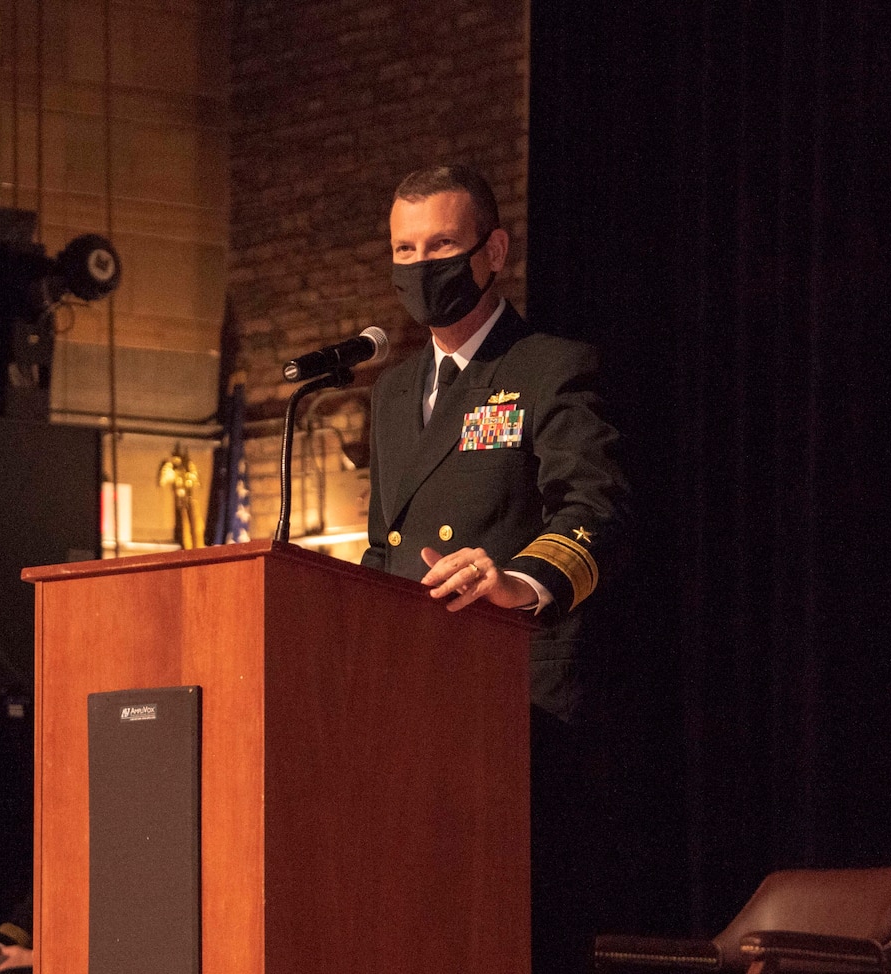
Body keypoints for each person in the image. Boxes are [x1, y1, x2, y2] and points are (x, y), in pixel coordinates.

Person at [361, 164, 629, 974]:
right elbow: (385, 546)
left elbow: (596, 511)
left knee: (510, 932)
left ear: (493, 251)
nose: (420, 266)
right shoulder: (393, 389)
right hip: (414, 701)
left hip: (516, 698)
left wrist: (519, 584)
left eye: (440, 244)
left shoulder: (548, 364)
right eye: (404, 250)